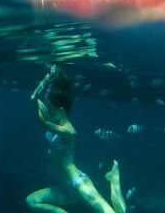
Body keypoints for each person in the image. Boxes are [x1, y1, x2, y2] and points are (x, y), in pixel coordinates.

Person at [27, 64, 126, 213]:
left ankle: (114, 180)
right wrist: (46, 81)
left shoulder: (69, 131)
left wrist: (35, 98)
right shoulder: (58, 126)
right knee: (32, 200)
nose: (49, 111)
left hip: (79, 182)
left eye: (51, 108)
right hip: (66, 187)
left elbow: (44, 122)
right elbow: (43, 114)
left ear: (60, 110)